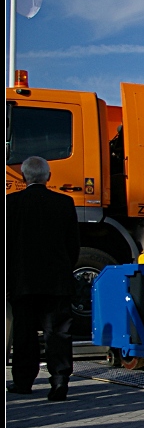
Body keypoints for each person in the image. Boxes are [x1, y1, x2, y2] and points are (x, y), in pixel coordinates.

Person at [6, 156, 81, 401]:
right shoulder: (64, 203)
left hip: (22, 282)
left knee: (24, 333)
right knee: (58, 333)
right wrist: (64, 269)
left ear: (25, 177)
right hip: (56, 281)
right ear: (48, 177)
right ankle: (59, 381)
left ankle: (23, 381)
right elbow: (73, 245)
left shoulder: (10, 204)